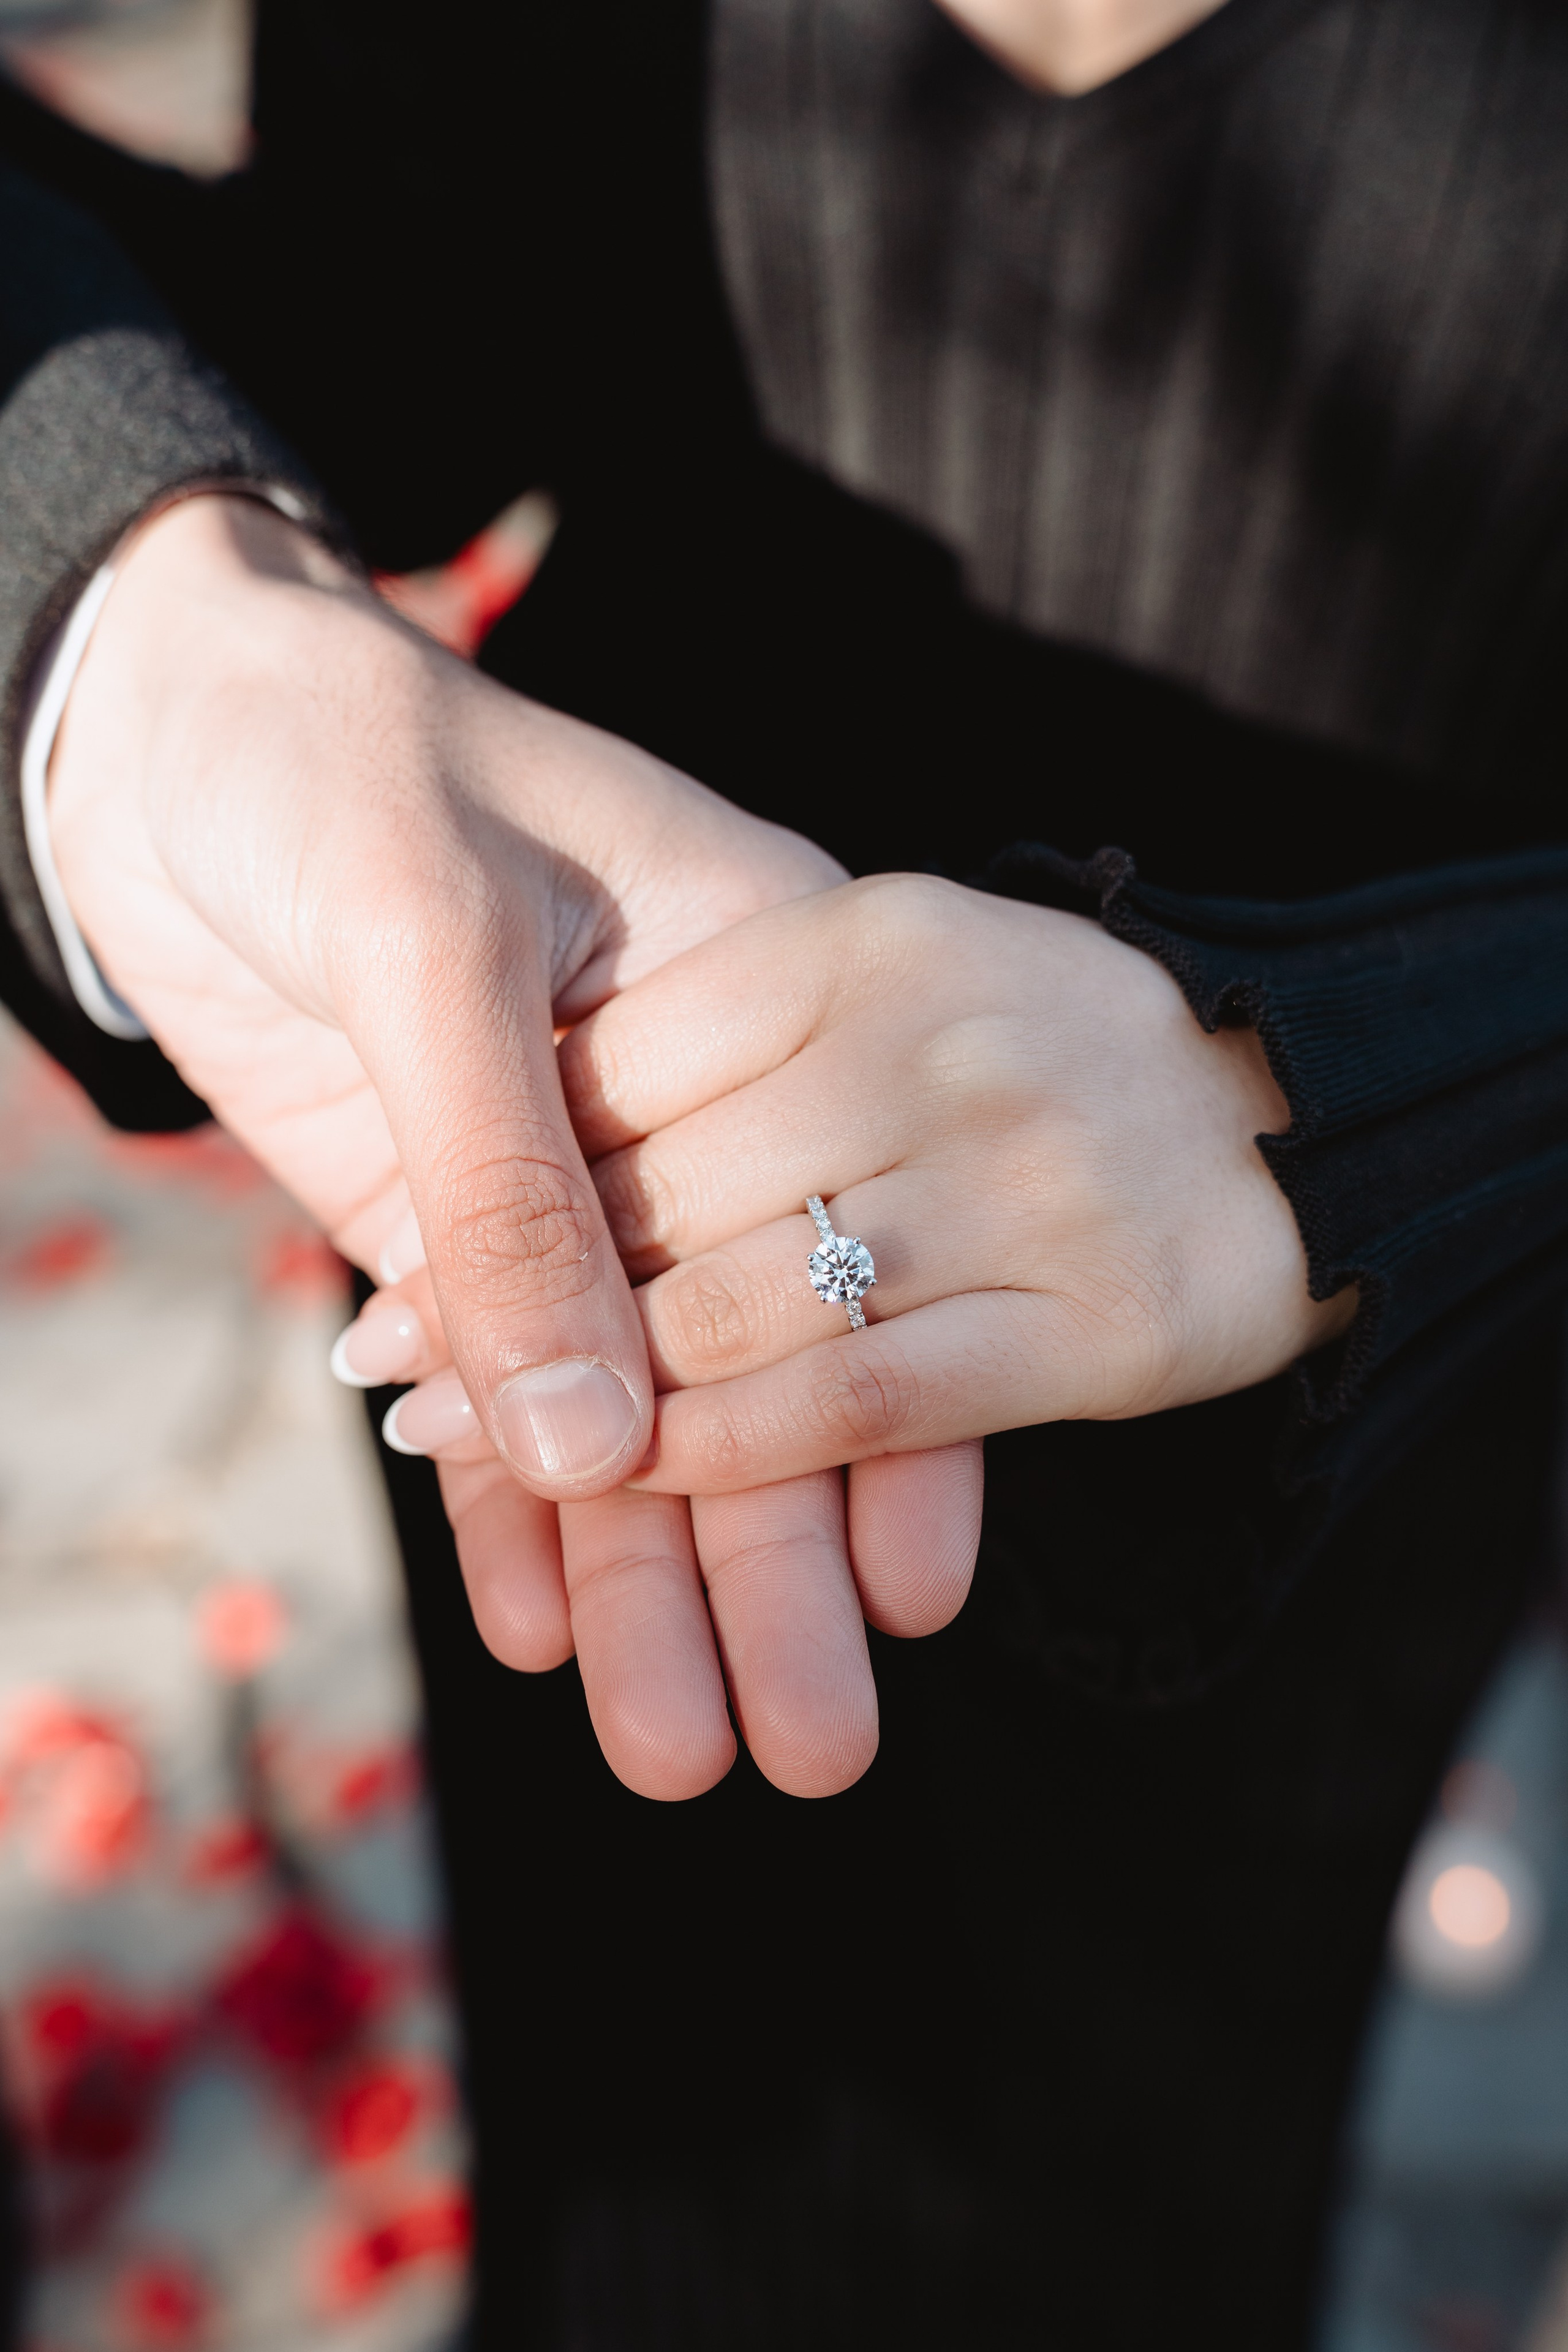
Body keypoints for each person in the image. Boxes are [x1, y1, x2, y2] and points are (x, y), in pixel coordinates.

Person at [4, 0, 1568, 2340]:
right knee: (619, 2156)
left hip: (1334, 1415)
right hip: (588, 1225)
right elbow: (386, 323)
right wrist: (144, 611)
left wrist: (1353, 1094)